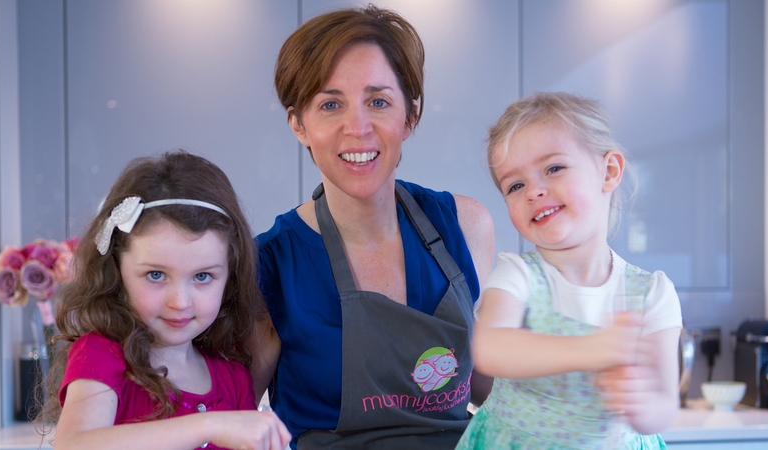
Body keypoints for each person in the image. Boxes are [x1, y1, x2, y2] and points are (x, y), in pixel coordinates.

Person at [255, 5, 495, 449]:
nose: (358, 128)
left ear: (410, 116)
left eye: (378, 101)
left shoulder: (466, 226)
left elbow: (482, 380)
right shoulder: (269, 264)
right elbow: (227, 414)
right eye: (330, 104)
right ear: (298, 125)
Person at [456, 92, 683, 449]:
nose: (534, 191)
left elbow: (663, 407)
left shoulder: (651, 292)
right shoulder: (517, 275)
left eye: (553, 168)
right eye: (515, 185)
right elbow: (492, 349)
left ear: (609, 172)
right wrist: (595, 348)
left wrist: (641, 403)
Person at [39, 151, 291, 450]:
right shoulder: (101, 354)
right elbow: (74, 445)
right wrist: (207, 425)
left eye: (202, 277)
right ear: (116, 270)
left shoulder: (232, 374)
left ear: (230, 278)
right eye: (156, 275)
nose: (180, 301)